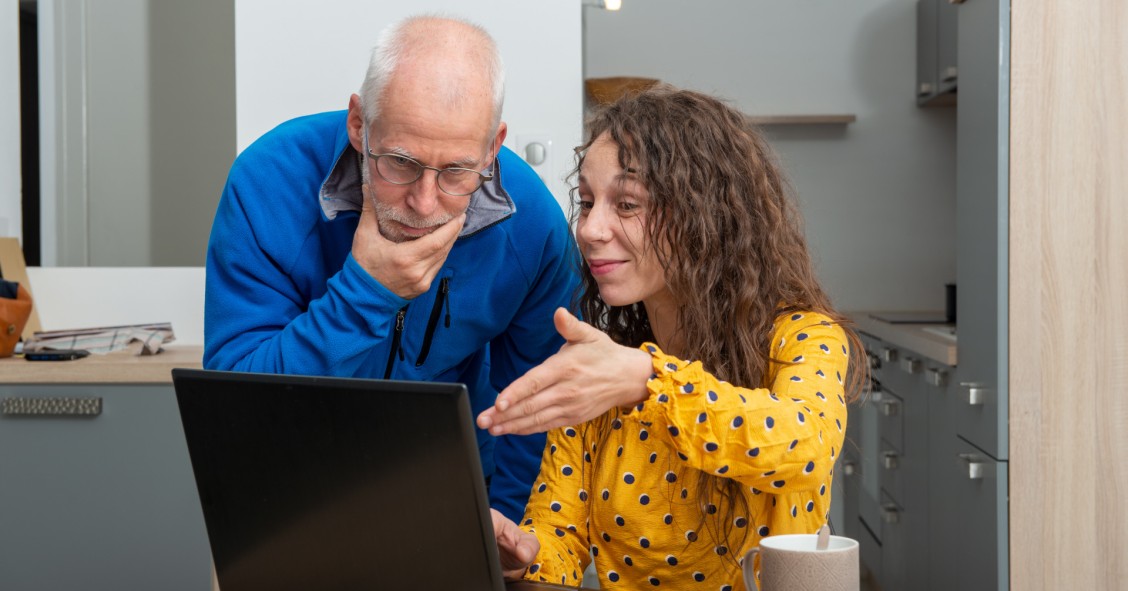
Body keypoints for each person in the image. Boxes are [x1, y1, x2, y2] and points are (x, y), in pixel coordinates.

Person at [479, 86, 867, 588]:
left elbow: (805, 447)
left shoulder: (803, 337)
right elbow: (559, 536)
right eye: (588, 202)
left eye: (627, 204)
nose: (590, 229)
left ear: (707, 217)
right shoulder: (604, 367)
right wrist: (524, 554)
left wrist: (649, 381)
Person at [203, 15, 578, 522]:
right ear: (359, 124)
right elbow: (233, 413)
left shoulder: (532, 226)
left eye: (456, 171)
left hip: (449, 490)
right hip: (286, 491)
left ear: (493, 147)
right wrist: (366, 291)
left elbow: (539, 410)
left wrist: (510, 527)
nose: (424, 203)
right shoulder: (268, 182)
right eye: (400, 162)